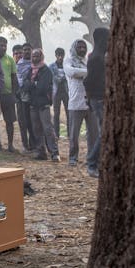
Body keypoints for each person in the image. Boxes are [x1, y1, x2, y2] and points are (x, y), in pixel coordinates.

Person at [22, 48, 60, 161]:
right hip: (33, 104)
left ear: (41, 57)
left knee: (48, 129)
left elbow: (42, 88)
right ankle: (41, 152)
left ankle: (54, 153)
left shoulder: (46, 70)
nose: (35, 58)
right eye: (33, 56)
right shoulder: (30, 70)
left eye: (37, 56)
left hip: (44, 104)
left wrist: (31, 84)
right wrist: (33, 84)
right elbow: (24, 86)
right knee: (36, 129)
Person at [65, 38, 95, 170]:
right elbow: (72, 72)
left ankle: (91, 158)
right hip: (75, 103)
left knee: (92, 133)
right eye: (79, 47)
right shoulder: (68, 61)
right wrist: (89, 73)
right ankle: (73, 158)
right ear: (74, 48)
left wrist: (86, 73)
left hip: (90, 102)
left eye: (84, 47)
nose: (82, 49)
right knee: (74, 134)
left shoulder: (87, 61)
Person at [85, 27, 109, 178]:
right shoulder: (96, 59)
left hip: (101, 98)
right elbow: (88, 82)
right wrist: (89, 99)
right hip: (98, 98)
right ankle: (92, 163)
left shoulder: (100, 57)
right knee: (104, 132)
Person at [0, 36, 18, 152]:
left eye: (5, 45)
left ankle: (10, 145)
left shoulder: (10, 59)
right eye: (1, 45)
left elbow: (14, 78)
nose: (3, 48)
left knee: (9, 122)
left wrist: (13, 94)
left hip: (8, 95)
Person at [16, 43, 36, 153]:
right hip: (20, 96)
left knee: (32, 121)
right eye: (25, 50)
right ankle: (25, 145)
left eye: (29, 49)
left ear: (32, 51)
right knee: (22, 121)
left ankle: (33, 144)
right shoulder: (19, 64)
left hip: (33, 97)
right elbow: (17, 78)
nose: (27, 52)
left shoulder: (36, 63)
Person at [49, 47, 69, 139]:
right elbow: (52, 78)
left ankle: (70, 133)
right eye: (58, 55)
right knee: (56, 114)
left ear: (64, 55)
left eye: (62, 55)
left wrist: (61, 78)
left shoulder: (67, 65)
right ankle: (56, 134)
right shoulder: (52, 66)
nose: (60, 57)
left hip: (66, 92)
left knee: (68, 113)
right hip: (56, 92)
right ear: (56, 55)